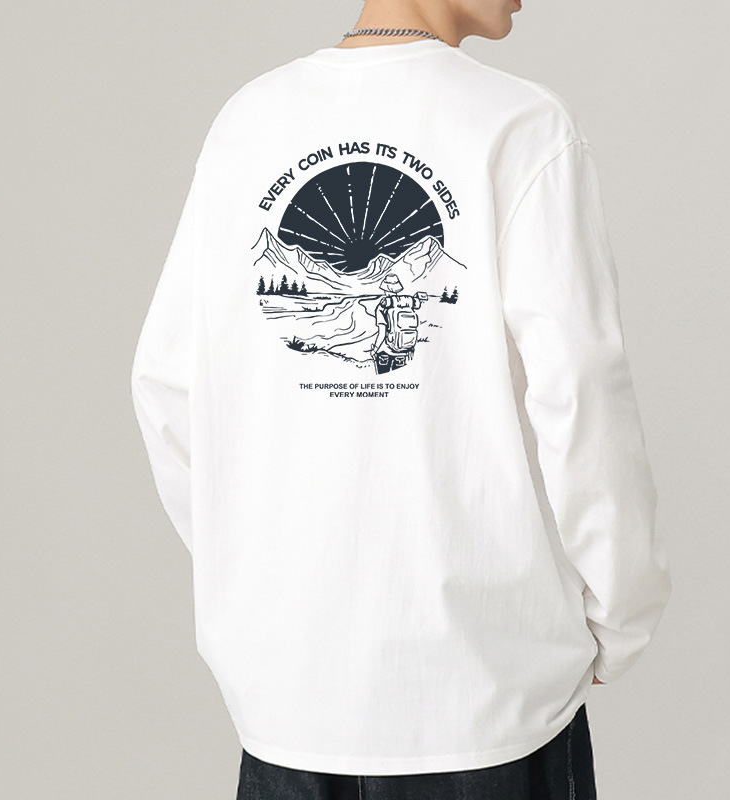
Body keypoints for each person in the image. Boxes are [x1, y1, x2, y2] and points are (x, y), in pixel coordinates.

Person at [130, 0, 673, 797]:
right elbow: (582, 393)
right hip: (486, 695)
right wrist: (621, 617)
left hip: (288, 697)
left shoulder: (247, 122)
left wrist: (258, 574)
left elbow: (168, 386)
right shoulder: (519, 126)